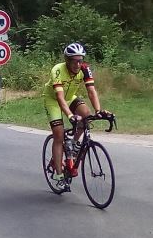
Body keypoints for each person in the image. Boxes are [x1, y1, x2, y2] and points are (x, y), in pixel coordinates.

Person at [42, 42, 109, 186]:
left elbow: (91, 91)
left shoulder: (85, 69)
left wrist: (98, 111)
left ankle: (74, 143)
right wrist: (70, 116)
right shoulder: (58, 70)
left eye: (81, 60)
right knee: (59, 135)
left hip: (70, 97)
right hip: (53, 100)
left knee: (86, 115)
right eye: (75, 61)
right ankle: (59, 176)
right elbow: (59, 97)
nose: (78, 64)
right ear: (67, 60)